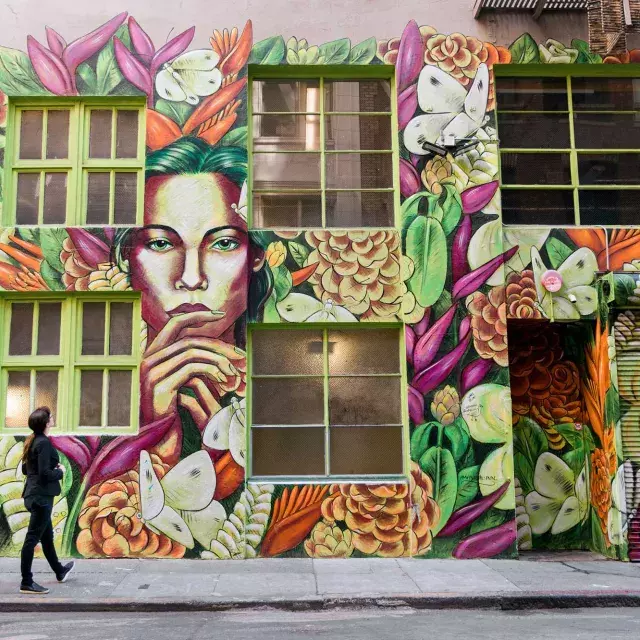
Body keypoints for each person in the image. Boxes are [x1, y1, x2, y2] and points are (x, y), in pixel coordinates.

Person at [19, 407, 75, 594]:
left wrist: (52, 465)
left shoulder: (33, 441)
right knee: (32, 539)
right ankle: (26, 581)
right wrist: (60, 471)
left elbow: (27, 470)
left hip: (33, 495)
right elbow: (44, 474)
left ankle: (59, 571)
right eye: (51, 417)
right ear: (45, 423)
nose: (53, 418)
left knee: (47, 537)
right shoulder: (43, 443)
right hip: (41, 498)